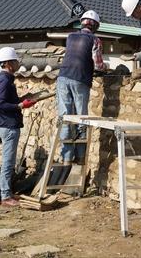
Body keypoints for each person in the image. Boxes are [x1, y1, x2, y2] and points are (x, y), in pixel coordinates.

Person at [57, 10, 106, 167]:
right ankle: (79, 158)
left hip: (63, 77)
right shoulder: (95, 40)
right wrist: (106, 68)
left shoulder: (70, 37)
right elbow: (98, 65)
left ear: (82, 23)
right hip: (80, 79)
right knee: (81, 118)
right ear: (95, 26)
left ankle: (65, 159)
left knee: (65, 118)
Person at [0, 47, 37, 207]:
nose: (17, 63)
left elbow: (6, 101)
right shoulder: (5, 80)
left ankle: (7, 192)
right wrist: (20, 105)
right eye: (15, 60)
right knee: (8, 161)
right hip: (8, 125)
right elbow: (1, 105)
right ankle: (5, 196)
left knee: (9, 160)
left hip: (6, 124)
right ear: (7, 63)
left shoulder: (5, 78)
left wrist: (22, 99)